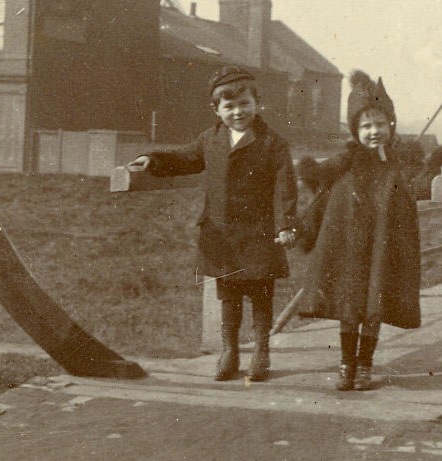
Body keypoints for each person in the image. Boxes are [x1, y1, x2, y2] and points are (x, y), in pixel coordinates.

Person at [127, 66, 297, 382]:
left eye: (244, 104)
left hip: (259, 233)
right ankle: (229, 351)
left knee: (261, 294)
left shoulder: (273, 142)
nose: (238, 112)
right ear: (216, 110)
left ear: (257, 103)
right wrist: (153, 159)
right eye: (229, 106)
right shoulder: (210, 139)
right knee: (229, 295)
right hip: (222, 233)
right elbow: (184, 158)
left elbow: (284, 186)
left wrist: (285, 224)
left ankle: (261, 352)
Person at [296, 70, 423, 391]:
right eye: (366, 126)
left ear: (391, 125)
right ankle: (346, 364)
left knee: (373, 307)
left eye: (380, 124)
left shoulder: (400, 161)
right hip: (351, 248)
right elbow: (319, 183)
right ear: (355, 131)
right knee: (349, 306)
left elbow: (423, 178)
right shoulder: (346, 162)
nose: (374, 131)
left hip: (383, 247)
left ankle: (365, 364)